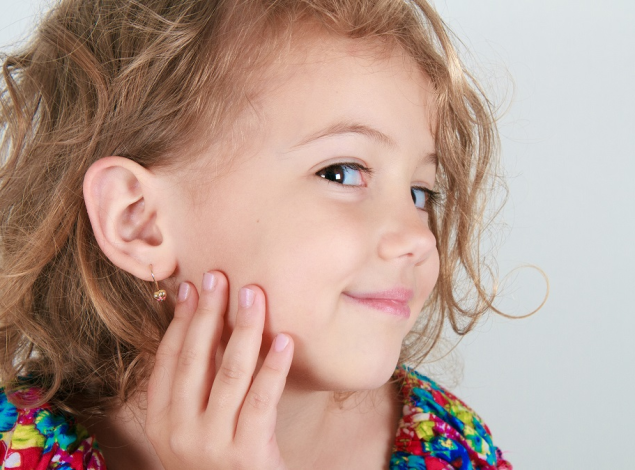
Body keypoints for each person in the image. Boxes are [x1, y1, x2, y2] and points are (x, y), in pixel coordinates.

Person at [0, 0, 513, 468]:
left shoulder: (451, 447)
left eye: (421, 193)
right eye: (341, 172)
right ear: (139, 220)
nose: (417, 239)